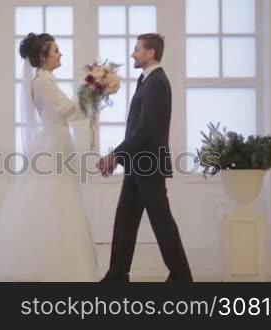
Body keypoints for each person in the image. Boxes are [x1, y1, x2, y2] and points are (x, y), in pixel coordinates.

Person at [0, 33, 97, 281]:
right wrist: (89, 90)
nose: (60, 54)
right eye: (56, 51)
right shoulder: (42, 82)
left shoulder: (47, 80)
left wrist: (92, 95)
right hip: (54, 146)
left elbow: (73, 114)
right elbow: (64, 112)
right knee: (56, 202)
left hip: (59, 143)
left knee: (63, 201)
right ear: (43, 57)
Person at [98, 33, 193, 283]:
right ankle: (117, 274)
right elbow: (139, 129)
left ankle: (182, 277)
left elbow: (146, 129)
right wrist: (120, 157)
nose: (133, 54)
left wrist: (115, 154)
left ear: (151, 53)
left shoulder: (157, 82)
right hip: (138, 165)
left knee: (162, 223)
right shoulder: (147, 80)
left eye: (137, 49)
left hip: (149, 166)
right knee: (125, 222)